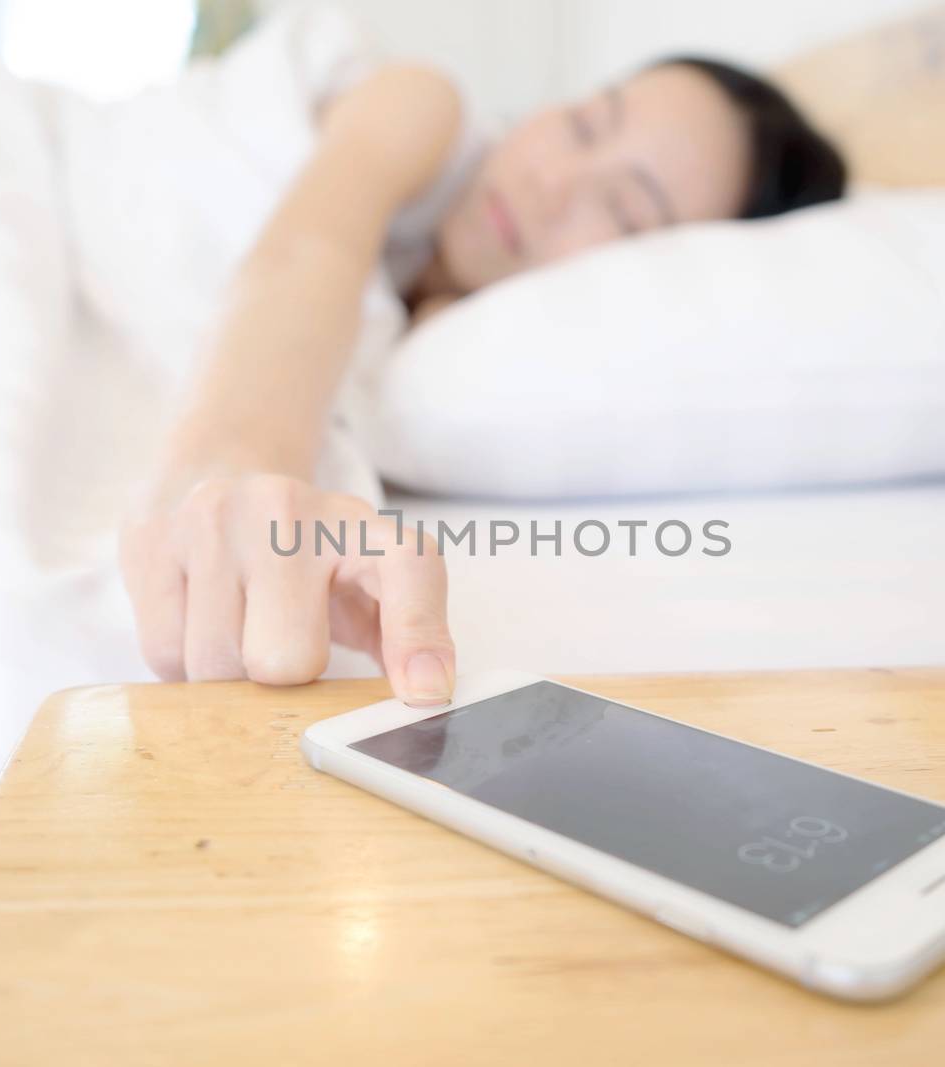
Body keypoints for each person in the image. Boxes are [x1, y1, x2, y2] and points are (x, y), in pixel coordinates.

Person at [118, 50, 845, 707]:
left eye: (623, 212)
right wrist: (234, 470)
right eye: (586, 125)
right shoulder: (422, 105)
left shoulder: (471, 344)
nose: (551, 181)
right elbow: (308, 250)